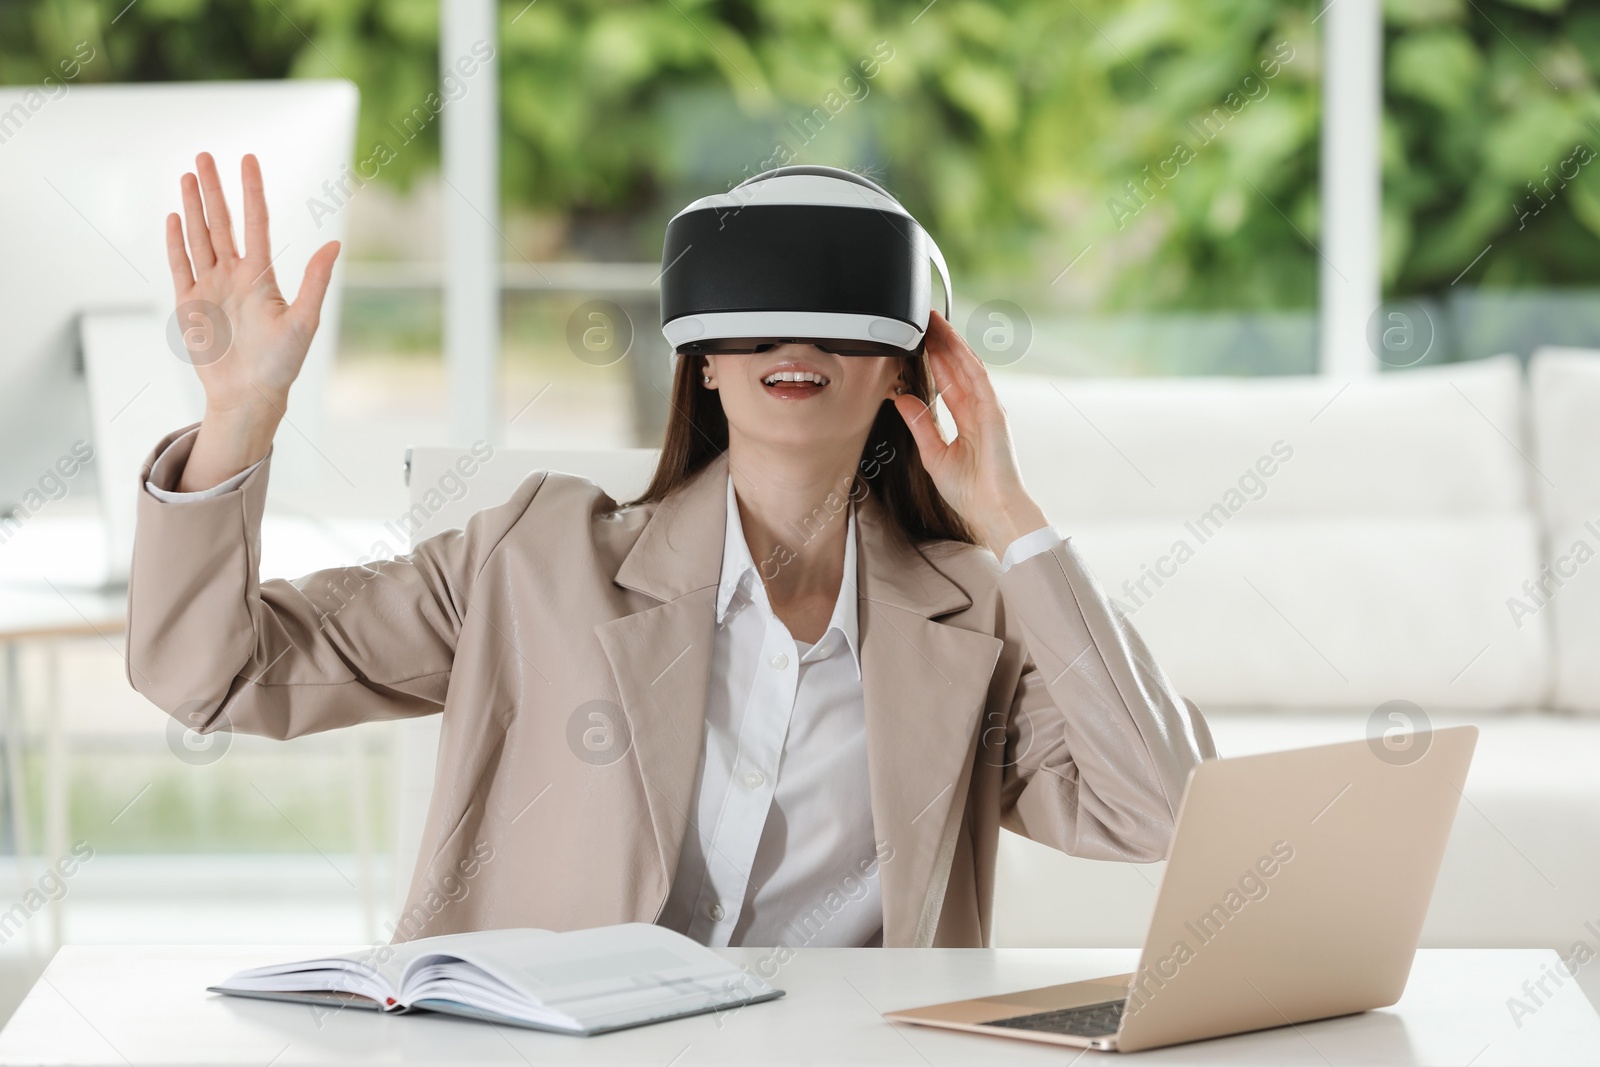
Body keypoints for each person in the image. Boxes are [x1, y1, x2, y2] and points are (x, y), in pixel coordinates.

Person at [129, 152, 1216, 950]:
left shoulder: (968, 618)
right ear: (699, 362)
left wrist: (1010, 517)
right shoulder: (533, 557)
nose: (794, 345)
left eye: (843, 320)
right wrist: (240, 417)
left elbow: (1161, 810)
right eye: (751, 320)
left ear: (902, 368)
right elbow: (210, 675)